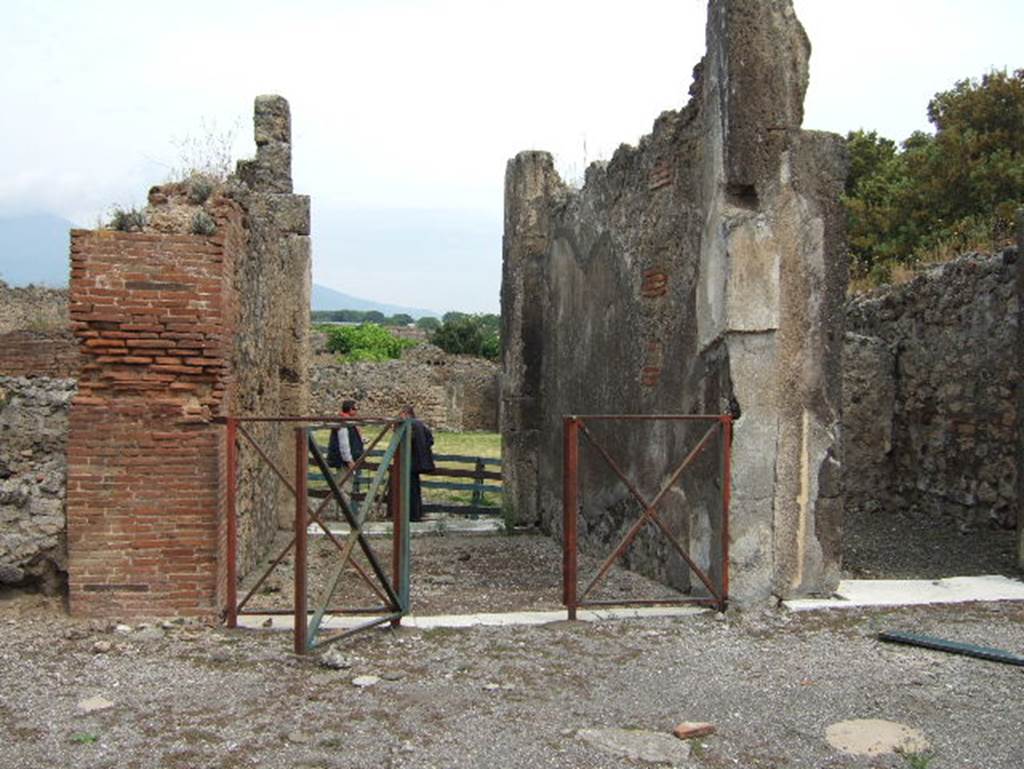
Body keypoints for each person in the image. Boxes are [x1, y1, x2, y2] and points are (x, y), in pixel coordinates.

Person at [399, 404, 435, 522]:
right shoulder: (420, 424)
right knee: (415, 488)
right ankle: (417, 512)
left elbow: (405, 441)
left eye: (402, 414)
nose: (401, 416)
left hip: (411, 462)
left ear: (406, 414)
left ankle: (412, 515)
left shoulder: (409, 425)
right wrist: (423, 450)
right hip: (419, 462)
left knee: (411, 489)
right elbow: (430, 439)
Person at [327, 399, 364, 470]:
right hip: (344, 462)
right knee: (344, 480)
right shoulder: (343, 422)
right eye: (355, 409)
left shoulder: (348, 421)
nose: (356, 411)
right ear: (350, 410)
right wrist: (348, 460)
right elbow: (344, 443)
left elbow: (351, 438)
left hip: (348, 459)